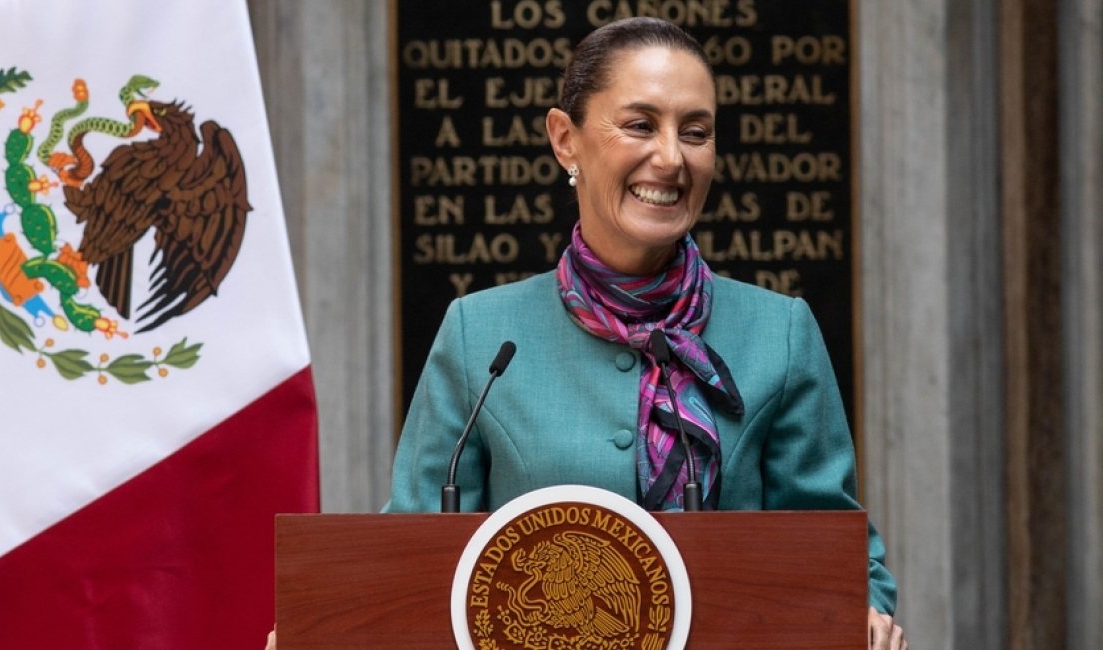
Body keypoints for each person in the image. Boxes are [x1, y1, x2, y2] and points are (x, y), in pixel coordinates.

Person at [380, 16, 907, 650]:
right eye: (639, 125)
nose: (671, 157)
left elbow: (837, 553)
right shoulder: (480, 334)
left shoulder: (780, 331)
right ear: (565, 140)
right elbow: (404, 562)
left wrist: (863, 611)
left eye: (696, 132)